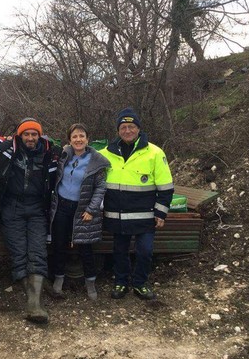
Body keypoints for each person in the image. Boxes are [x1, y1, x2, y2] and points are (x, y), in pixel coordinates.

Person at [100, 108, 174, 300]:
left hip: (145, 216)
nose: (127, 130)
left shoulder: (155, 153)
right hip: (117, 215)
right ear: (118, 130)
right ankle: (121, 282)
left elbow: (166, 187)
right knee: (119, 252)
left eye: (131, 126)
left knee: (145, 252)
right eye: (123, 127)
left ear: (139, 129)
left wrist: (161, 213)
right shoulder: (105, 154)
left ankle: (140, 283)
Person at [0, 117, 60, 323]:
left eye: (34, 134)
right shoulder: (7, 149)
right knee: (19, 252)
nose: (30, 138)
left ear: (40, 136)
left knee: (38, 251)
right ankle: (33, 302)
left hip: (38, 208)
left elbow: (78, 150)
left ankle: (36, 303)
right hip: (12, 207)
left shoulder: (50, 153)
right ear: (19, 135)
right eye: (26, 134)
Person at [49, 123, 110, 300]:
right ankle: (59, 278)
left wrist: (91, 209)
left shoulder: (95, 161)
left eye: (82, 136)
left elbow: (100, 187)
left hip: (82, 209)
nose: (78, 139)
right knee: (59, 245)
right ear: (69, 140)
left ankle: (90, 282)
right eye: (75, 136)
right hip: (61, 207)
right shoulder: (63, 156)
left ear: (87, 139)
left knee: (85, 247)